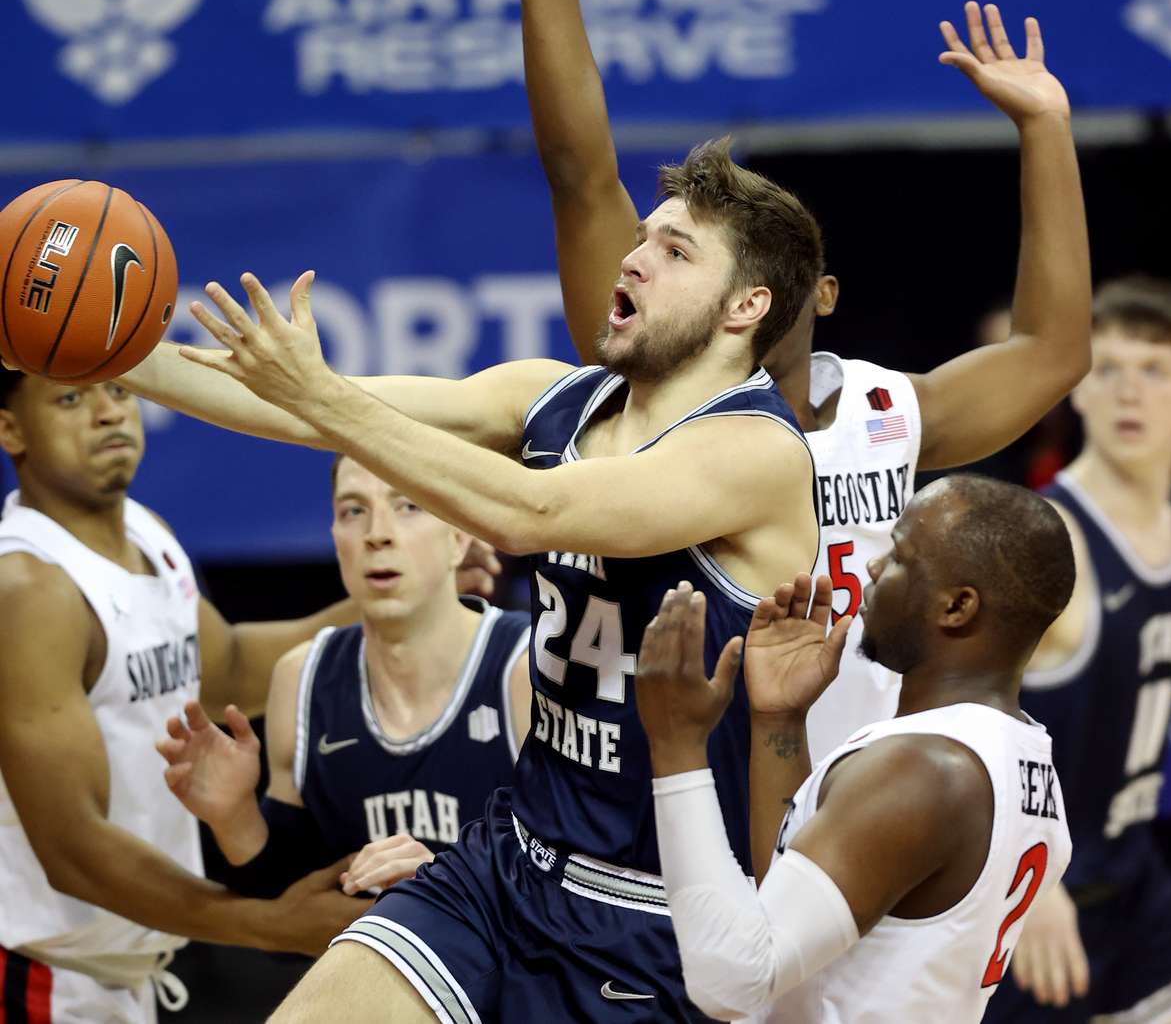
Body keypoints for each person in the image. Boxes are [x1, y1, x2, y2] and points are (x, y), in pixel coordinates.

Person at [118, 137, 824, 1021]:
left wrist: (321, 397)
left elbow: (528, 513)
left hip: (653, 914)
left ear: (745, 306)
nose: (636, 258)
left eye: (675, 251)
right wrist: (109, 353)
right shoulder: (553, 396)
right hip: (506, 863)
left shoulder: (757, 452)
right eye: (644, 237)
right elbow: (307, 407)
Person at [510, 0, 1091, 761]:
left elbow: (1052, 350)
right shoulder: (651, 378)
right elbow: (579, 174)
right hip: (679, 804)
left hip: (845, 799)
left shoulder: (885, 411)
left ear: (817, 293)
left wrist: (1045, 128)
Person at [636, 475, 1076, 1022]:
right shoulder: (1024, 758)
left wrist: (676, 747)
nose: (873, 567)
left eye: (900, 557)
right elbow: (799, 913)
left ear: (957, 606)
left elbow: (732, 979)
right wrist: (781, 721)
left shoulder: (928, 770)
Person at [0, 369, 367, 1024]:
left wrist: (390, 606)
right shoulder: (28, 589)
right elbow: (74, 851)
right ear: (10, 429)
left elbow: (223, 672)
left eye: (116, 390)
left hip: (122, 972)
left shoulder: (145, 532)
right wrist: (269, 924)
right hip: (35, 979)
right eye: (70, 398)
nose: (109, 413)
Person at [984, 278, 1171, 1024]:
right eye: (1107, 370)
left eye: (1152, 370)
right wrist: (1022, 879)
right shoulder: (1048, 541)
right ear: (1077, 393)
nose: (1129, 392)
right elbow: (951, 705)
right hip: (1031, 893)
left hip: (1131, 876)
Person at [156, 454, 532, 902]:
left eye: (408, 506)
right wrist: (233, 817)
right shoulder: (301, 677)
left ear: (459, 538)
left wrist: (449, 883)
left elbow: (590, 887)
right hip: (366, 970)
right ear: (335, 539)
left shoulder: (527, 669)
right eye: (353, 511)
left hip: (503, 972)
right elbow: (289, 901)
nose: (377, 534)